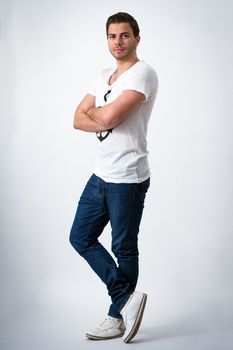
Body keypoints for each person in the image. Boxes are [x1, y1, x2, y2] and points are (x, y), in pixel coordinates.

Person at [69, 12, 158, 343]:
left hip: (128, 177)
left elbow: (105, 116)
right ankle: (126, 301)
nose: (117, 42)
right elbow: (77, 119)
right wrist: (101, 118)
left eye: (124, 35)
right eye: (111, 36)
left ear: (137, 38)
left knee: (124, 248)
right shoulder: (103, 75)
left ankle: (115, 316)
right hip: (101, 174)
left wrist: (99, 116)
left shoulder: (143, 74)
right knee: (80, 237)